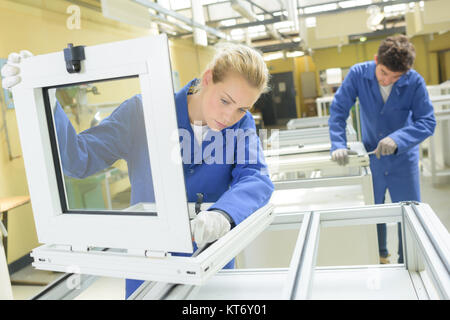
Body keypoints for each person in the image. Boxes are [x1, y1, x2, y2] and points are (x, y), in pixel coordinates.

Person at [1, 44, 274, 297]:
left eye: (241, 108)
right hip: (151, 261)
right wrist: (43, 103)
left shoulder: (242, 124)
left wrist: (223, 214)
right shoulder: (143, 111)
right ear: (207, 79)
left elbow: (255, 176)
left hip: (211, 258)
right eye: (225, 101)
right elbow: (78, 160)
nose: (229, 117)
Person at [328, 35, 436, 264]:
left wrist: (398, 139)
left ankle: (406, 263)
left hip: (403, 160)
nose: (388, 81)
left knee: (408, 216)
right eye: (384, 73)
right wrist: (338, 143)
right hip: (371, 158)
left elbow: (427, 122)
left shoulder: (414, 81)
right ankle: (380, 256)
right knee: (373, 212)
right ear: (377, 60)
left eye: (396, 77)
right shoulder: (358, 74)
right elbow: (338, 110)